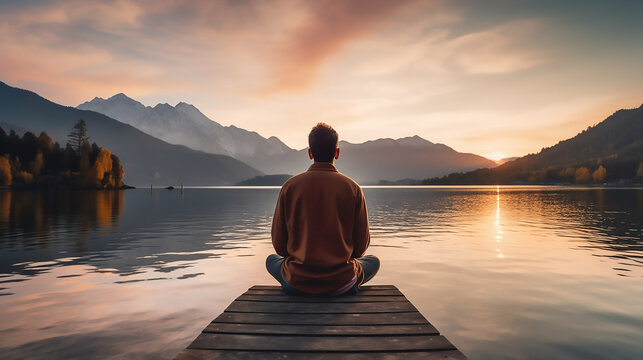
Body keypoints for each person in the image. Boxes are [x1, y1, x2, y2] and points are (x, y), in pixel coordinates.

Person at [266, 123, 379, 295]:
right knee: (373, 261)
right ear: (337, 152)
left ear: (310, 153)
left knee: (271, 260)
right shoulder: (353, 188)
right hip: (341, 283)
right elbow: (360, 249)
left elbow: (280, 248)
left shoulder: (289, 187)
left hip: (296, 282)